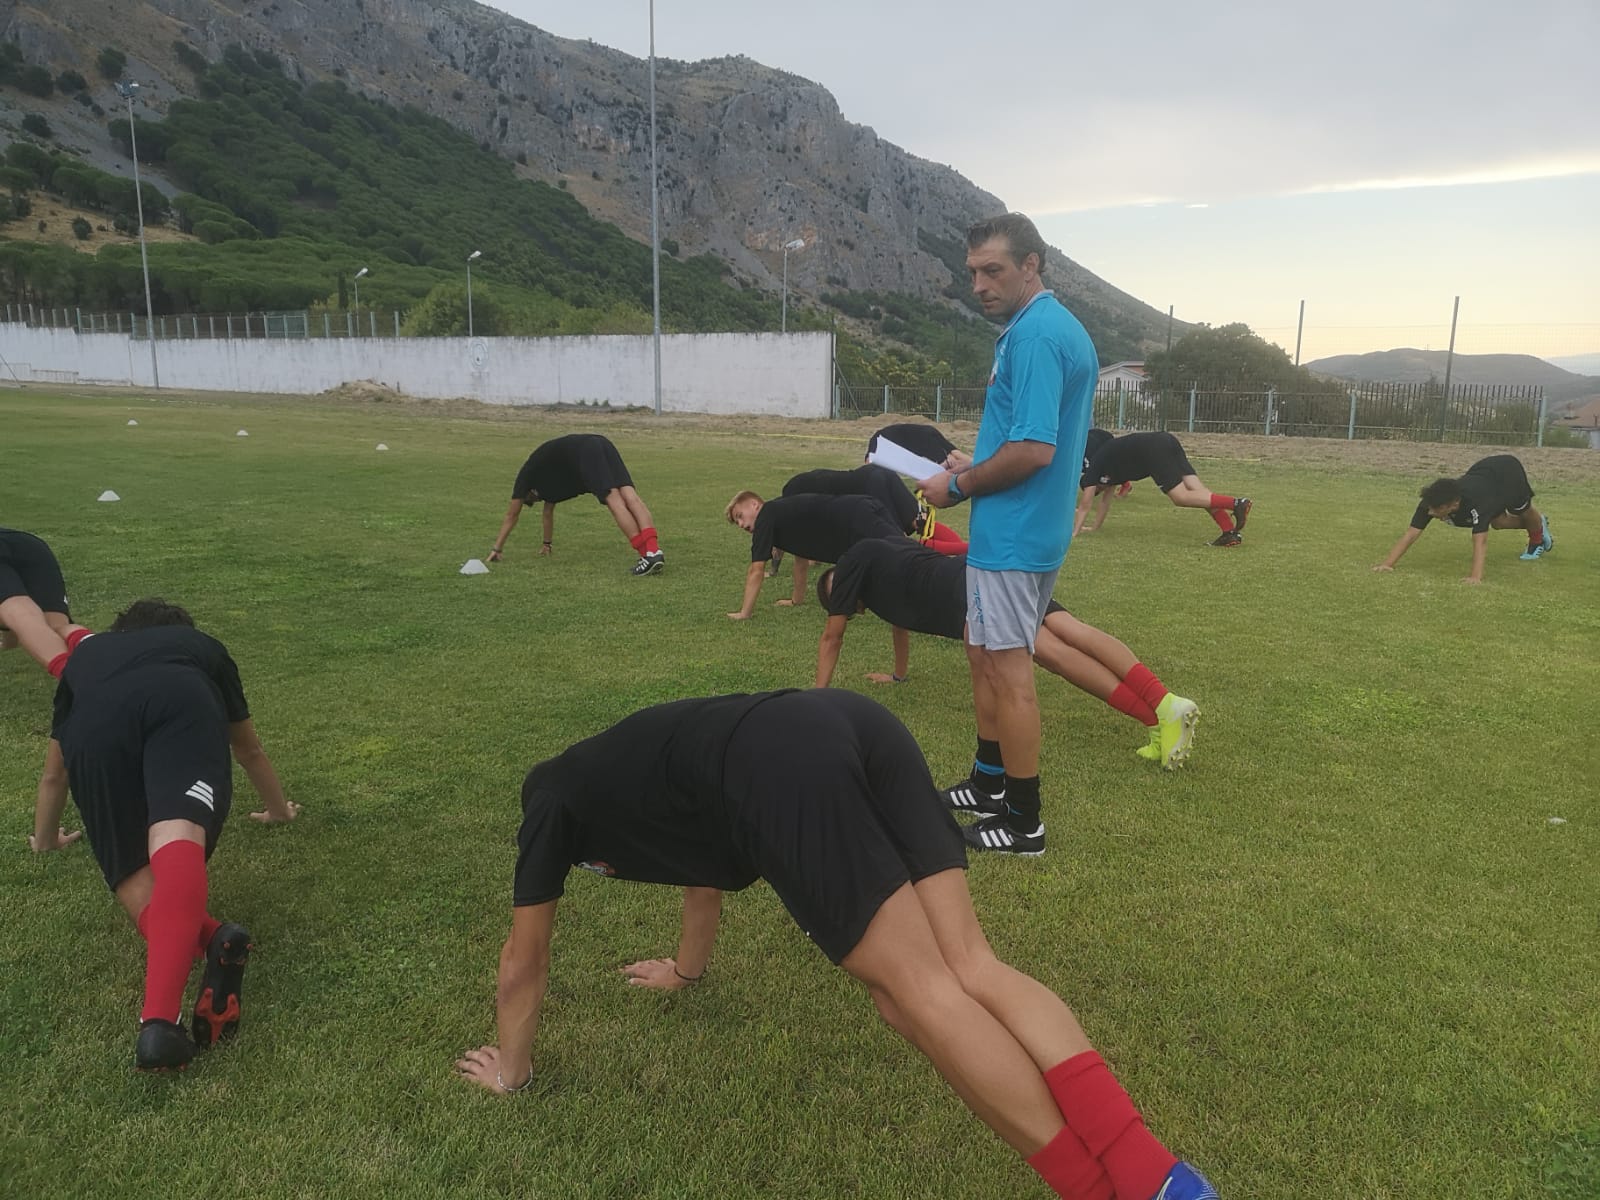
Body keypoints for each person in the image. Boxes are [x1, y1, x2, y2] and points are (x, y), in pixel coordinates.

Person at [454, 689, 1220, 1200]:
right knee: (970, 965)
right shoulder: (623, 779)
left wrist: (512, 1073)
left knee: (916, 995)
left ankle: (1104, 1190)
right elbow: (699, 870)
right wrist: (688, 972)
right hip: (851, 720)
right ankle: (1160, 1179)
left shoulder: (548, 800)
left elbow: (525, 959)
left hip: (782, 764)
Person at [28, 598, 299, 1072]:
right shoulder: (200, 647)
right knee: (177, 834)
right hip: (181, 702)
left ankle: (213, 938)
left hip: (96, 729)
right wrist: (280, 811)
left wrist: (45, 838)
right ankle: (157, 1023)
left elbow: (54, 775)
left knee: (135, 874)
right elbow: (248, 748)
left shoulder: (89, 657)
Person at [916, 213, 1098, 856]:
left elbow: (1034, 450)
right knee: (981, 649)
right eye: (972, 272)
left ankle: (1025, 825)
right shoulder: (1041, 328)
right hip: (1021, 527)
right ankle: (989, 783)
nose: (979, 285)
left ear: (1031, 265)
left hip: (1015, 534)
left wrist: (957, 488)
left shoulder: (1036, 337)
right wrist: (976, 461)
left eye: (993, 270)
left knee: (1008, 670)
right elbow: (1020, 441)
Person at [814, 539, 1199, 770]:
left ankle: (1159, 712)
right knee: (1069, 628)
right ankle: (1162, 708)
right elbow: (899, 624)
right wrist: (898, 676)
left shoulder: (850, 564)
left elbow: (832, 638)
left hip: (961, 592)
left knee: (1050, 650)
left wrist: (818, 697)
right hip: (979, 574)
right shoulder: (880, 575)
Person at [487, 434, 665, 576]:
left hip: (586, 453)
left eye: (534, 499)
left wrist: (497, 548)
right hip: (600, 442)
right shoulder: (546, 477)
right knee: (629, 493)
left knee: (614, 499)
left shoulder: (525, 477)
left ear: (528, 493)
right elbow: (548, 513)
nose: (540, 501)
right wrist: (547, 544)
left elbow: (512, 515)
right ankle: (653, 551)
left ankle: (645, 555)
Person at [723, 490, 905, 620]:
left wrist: (744, 613)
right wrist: (796, 600)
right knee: (904, 552)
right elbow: (801, 558)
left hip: (855, 517)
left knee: (903, 558)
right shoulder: (780, 514)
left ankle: (930, 611)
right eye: (736, 521)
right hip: (863, 506)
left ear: (755, 505)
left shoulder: (766, 515)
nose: (740, 524)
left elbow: (756, 569)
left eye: (740, 515)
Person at [1373, 454, 1553, 584]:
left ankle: (1536, 539)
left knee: (1524, 511)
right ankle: (1538, 524)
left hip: (1507, 474)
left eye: (1437, 510)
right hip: (1485, 476)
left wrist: (1475, 577)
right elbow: (1411, 534)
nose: (1431, 513)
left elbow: (1480, 541)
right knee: (1499, 523)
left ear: (1454, 505)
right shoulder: (1432, 502)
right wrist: (1387, 565)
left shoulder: (1476, 504)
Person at [1075, 432, 1252, 547]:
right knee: (1197, 490)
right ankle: (1229, 532)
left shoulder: (1093, 470)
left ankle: (1236, 503)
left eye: (1097, 488)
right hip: (1165, 440)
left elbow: (1085, 505)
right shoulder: (1108, 472)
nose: (1102, 489)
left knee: (1180, 497)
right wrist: (1094, 528)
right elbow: (1105, 502)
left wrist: (1074, 533)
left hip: (1152, 449)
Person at [0, 527, 93, 677]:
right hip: (28, 543)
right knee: (56, 626)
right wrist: (8, 644)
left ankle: (79, 681)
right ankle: (104, 652)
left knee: (22, 614)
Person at [867, 422, 959, 465]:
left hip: (922, 436)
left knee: (948, 463)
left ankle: (971, 466)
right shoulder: (879, 440)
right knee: (954, 454)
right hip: (925, 431)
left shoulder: (877, 443)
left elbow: (869, 464)